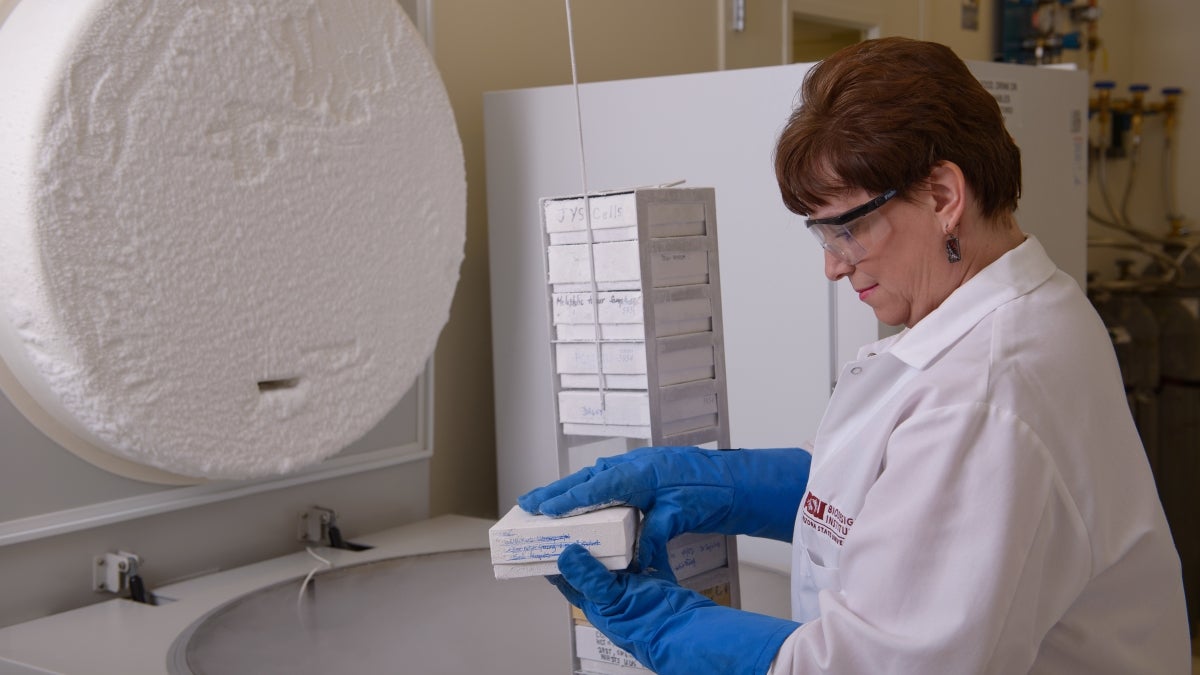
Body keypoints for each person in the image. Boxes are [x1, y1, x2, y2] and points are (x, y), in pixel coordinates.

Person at [519, 37, 1191, 674]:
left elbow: (866, 666)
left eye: (848, 228)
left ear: (943, 196)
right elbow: (892, 493)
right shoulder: (1005, 309)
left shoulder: (984, 393)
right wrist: (710, 484)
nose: (834, 268)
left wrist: (657, 623)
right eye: (822, 234)